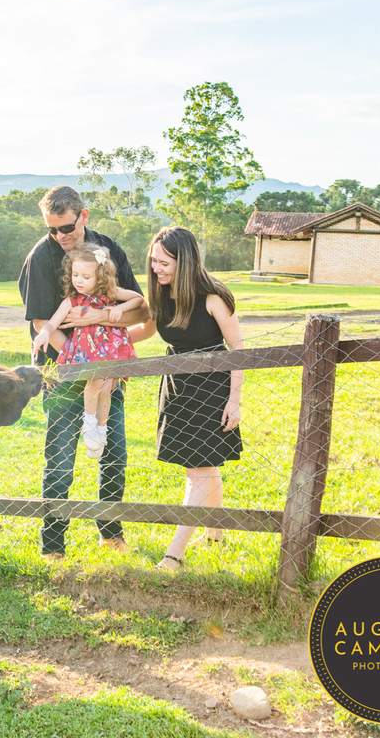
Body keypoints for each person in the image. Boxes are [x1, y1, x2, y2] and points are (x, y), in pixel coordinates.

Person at [18, 186, 147, 560]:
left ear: (84, 216)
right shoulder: (41, 258)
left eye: (66, 228)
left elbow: (140, 310)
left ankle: (110, 533)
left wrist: (101, 317)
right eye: (52, 229)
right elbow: (43, 322)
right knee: (60, 461)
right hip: (65, 373)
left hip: (106, 372)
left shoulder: (106, 251)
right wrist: (81, 362)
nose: (59, 236)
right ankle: (53, 546)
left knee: (115, 454)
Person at [129, 226, 243, 571]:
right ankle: (215, 534)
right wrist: (102, 344)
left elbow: (239, 352)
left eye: (164, 263)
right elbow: (146, 330)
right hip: (176, 387)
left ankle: (174, 555)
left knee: (198, 470)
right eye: (153, 261)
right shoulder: (162, 295)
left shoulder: (214, 297)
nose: (155, 269)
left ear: (185, 262)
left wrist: (234, 401)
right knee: (205, 465)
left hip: (212, 388)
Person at [31, 244, 144, 459]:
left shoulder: (111, 294)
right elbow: (52, 322)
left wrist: (119, 308)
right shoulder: (72, 300)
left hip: (110, 350)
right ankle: (90, 424)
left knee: (107, 389)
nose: (79, 281)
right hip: (90, 352)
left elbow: (138, 299)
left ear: (100, 277)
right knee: (94, 383)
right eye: (75, 275)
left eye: (85, 276)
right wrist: (44, 333)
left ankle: (100, 431)